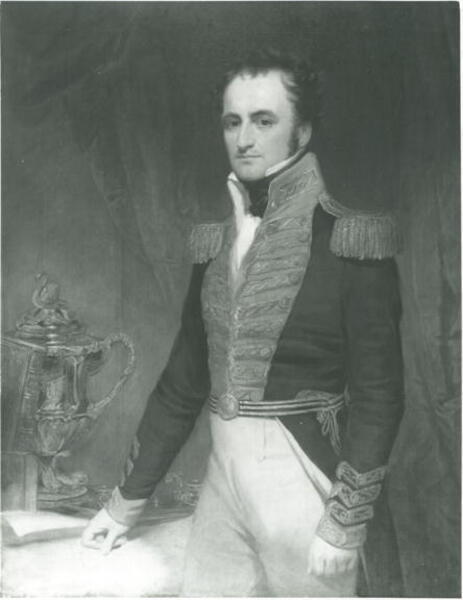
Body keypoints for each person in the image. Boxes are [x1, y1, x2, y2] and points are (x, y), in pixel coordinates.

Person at [82, 48, 404, 597]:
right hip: (222, 478)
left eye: (264, 120)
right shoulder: (214, 245)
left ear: (302, 133)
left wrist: (345, 521)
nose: (244, 138)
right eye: (233, 122)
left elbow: (380, 395)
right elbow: (183, 383)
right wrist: (125, 503)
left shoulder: (350, 244)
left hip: (304, 478)